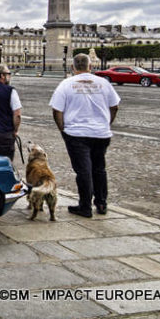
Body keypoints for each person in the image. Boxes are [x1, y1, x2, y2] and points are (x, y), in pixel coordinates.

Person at [50, 53, 120, 218]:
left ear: (73, 68)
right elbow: (115, 106)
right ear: (91, 67)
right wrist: (106, 124)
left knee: (83, 171)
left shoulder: (66, 84)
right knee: (99, 169)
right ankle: (102, 203)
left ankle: (85, 207)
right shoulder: (104, 83)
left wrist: (63, 130)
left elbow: (56, 110)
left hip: (76, 133)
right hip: (101, 133)